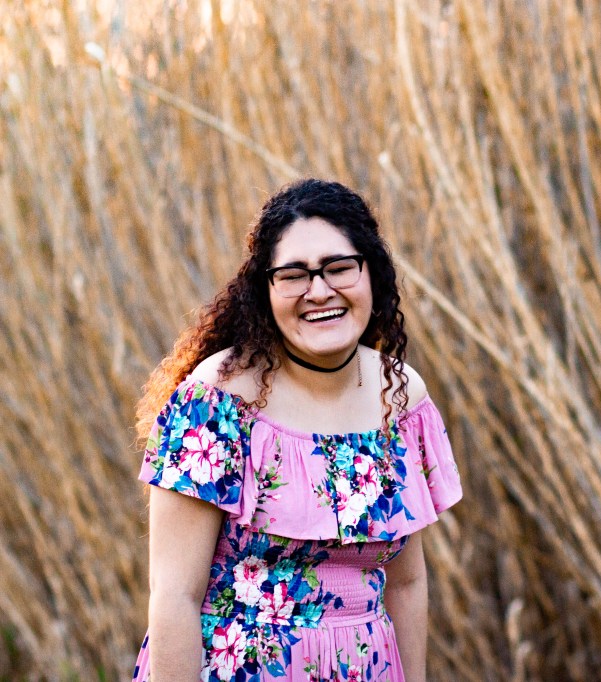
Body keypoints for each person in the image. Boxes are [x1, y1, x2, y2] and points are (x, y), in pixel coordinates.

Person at [130, 178, 462, 682]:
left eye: (339, 267)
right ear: (265, 291)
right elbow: (175, 595)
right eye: (293, 275)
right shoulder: (218, 399)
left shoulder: (399, 397)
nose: (319, 290)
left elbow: (407, 583)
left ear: (372, 273)